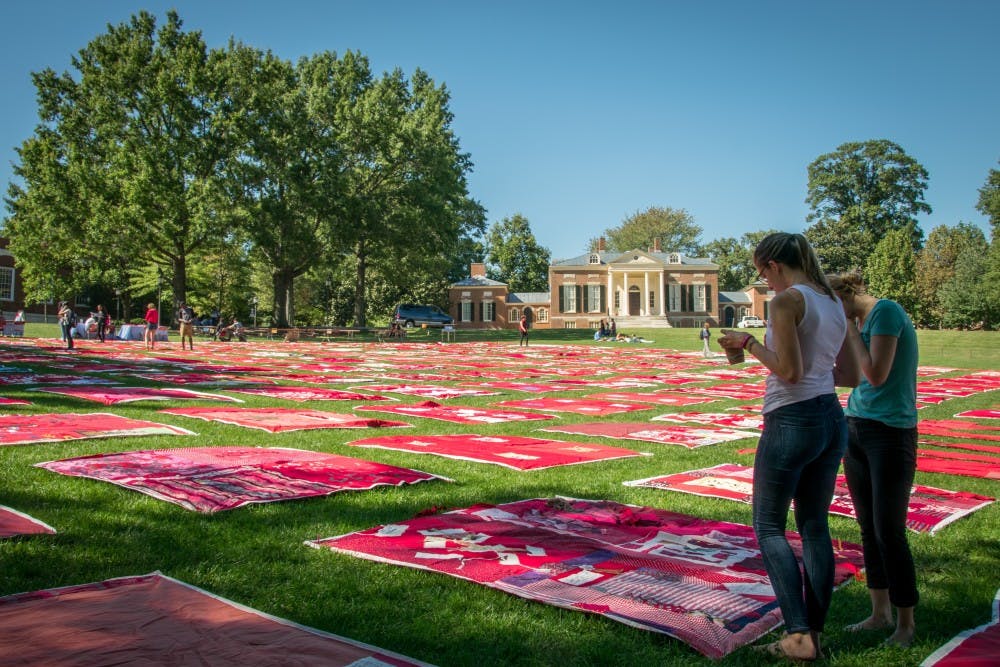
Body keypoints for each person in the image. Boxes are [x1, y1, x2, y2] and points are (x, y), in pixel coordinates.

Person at [718, 232, 859, 662]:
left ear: (775, 266)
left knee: (769, 526)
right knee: (814, 526)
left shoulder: (787, 301)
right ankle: (814, 633)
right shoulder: (833, 300)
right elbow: (849, 373)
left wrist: (748, 343)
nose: (765, 284)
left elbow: (790, 372)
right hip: (831, 416)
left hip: (792, 418)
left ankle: (798, 635)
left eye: (763, 275)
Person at [829, 271, 919, 647]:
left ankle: (905, 624)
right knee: (868, 528)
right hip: (858, 427)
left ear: (845, 296)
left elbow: (876, 374)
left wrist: (849, 331)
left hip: (891, 432)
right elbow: (850, 377)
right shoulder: (860, 320)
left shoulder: (886, 313)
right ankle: (878, 613)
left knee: (889, 531)